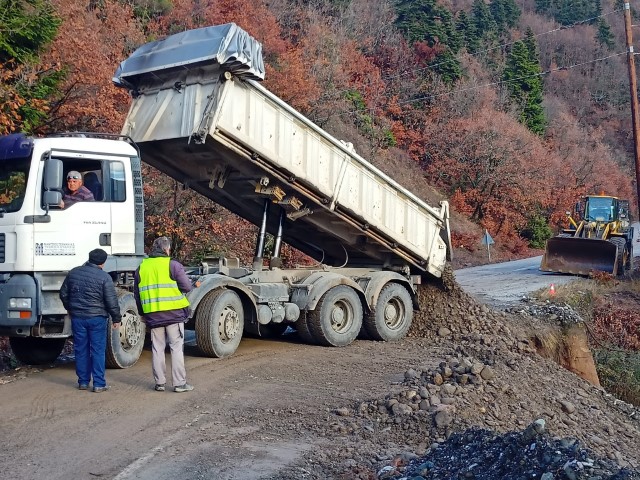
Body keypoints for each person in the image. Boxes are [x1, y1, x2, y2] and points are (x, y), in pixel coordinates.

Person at [134, 236, 195, 393]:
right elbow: (187, 287)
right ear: (166, 249)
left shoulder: (142, 267)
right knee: (176, 348)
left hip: (153, 315)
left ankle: (159, 383)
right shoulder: (172, 265)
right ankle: (179, 384)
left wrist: (142, 314)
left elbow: (137, 295)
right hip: (174, 313)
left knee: (157, 348)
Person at [59, 248, 121, 392]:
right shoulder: (104, 277)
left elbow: (63, 293)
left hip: (78, 318)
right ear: (103, 262)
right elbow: (111, 301)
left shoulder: (74, 272)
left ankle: (83, 382)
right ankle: (99, 384)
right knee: (98, 350)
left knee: (81, 350)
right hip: (97, 318)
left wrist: (70, 308)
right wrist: (116, 318)